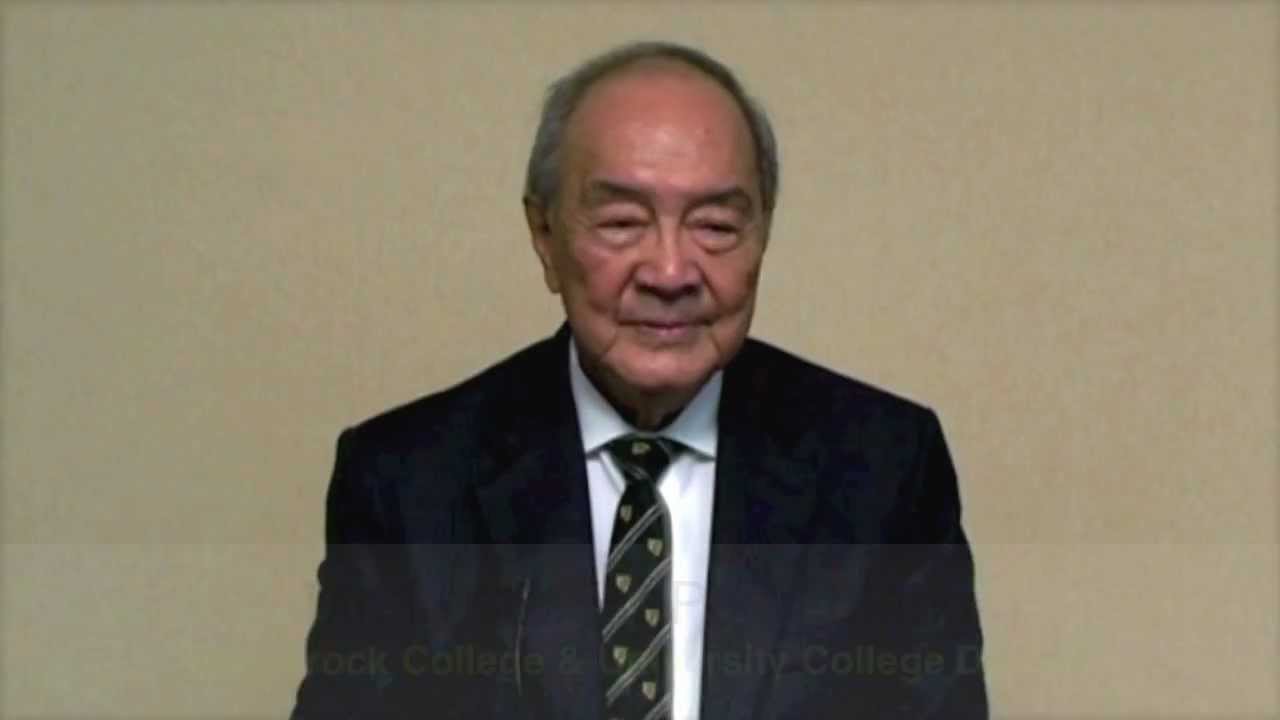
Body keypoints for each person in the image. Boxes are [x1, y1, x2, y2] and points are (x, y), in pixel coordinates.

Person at [290, 41, 987, 720]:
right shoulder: (406, 483)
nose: (670, 272)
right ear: (545, 236)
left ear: (762, 235)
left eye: (716, 226)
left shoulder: (884, 469)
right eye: (623, 222)